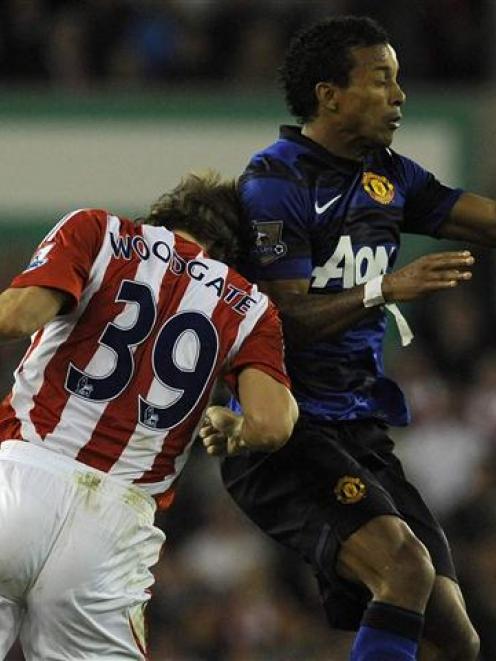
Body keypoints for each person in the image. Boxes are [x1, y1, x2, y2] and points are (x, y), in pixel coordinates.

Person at [204, 15, 496, 661]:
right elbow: (278, 319)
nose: (399, 96)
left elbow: (479, 217)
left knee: (457, 637)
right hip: (283, 430)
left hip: (358, 432)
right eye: (381, 79)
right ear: (328, 93)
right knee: (405, 570)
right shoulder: (277, 183)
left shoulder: (387, 176)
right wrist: (382, 290)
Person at [0, 171, 298, 660]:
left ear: (165, 215)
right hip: (115, 522)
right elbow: (273, 425)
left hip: (21, 474)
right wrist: (236, 427)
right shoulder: (250, 306)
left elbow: (16, 317)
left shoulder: (99, 231)